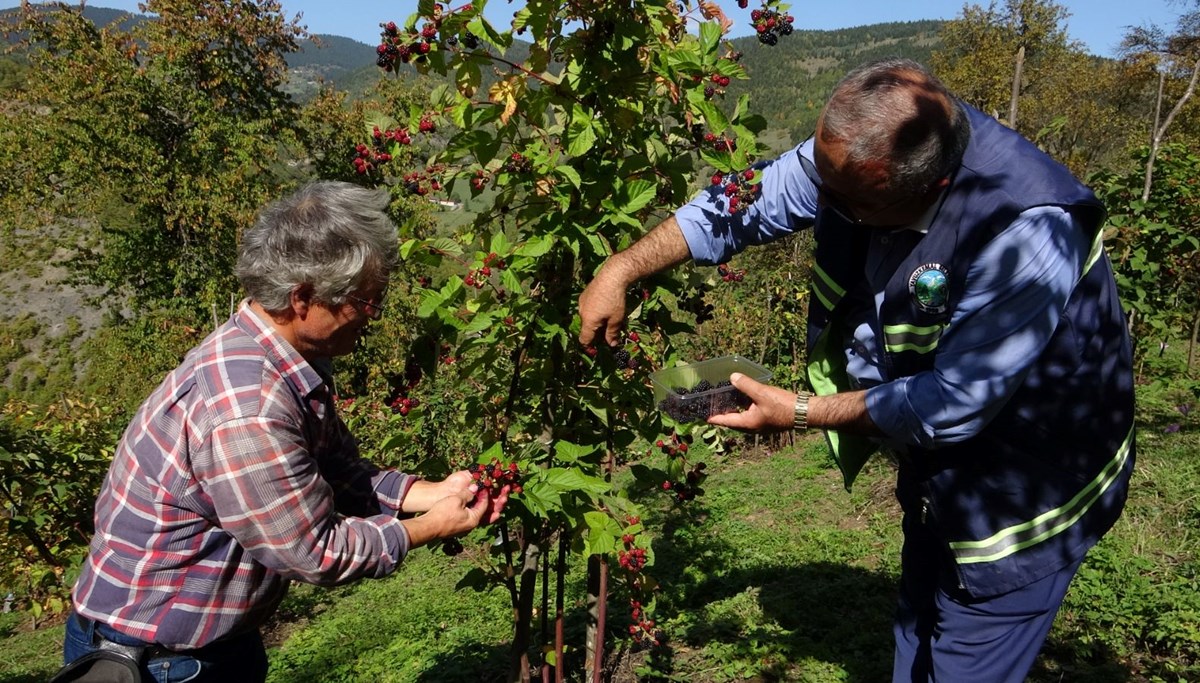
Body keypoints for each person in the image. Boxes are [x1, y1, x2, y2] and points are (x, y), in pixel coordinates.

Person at [578, 58, 1135, 682]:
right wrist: (621, 268)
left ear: (926, 189)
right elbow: (742, 206)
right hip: (937, 473)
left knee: (968, 637)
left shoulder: (1025, 230)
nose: (818, 202)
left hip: (1024, 496)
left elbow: (953, 404)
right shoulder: (862, 159)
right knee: (918, 619)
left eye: (844, 200)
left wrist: (799, 410)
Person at [61, 181, 508, 683]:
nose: (373, 317)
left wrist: (428, 494)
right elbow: (315, 552)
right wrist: (430, 526)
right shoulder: (247, 409)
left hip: (208, 644)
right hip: (157, 663)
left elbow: (334, 468)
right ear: (303, 298)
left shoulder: (282, 359)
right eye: (365, 302)